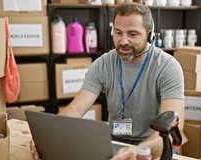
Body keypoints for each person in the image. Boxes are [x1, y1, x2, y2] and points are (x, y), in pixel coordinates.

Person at [31, 2, 184, 160]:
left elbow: (171, 130)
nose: (123, 41)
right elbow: (76, 109)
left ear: (149, 34)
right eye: (118, 32)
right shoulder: (103, 63)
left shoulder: (168, 67)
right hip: (115, 142)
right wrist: (50, 136)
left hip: (153, 146)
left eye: (132, 34)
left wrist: (140, 151)